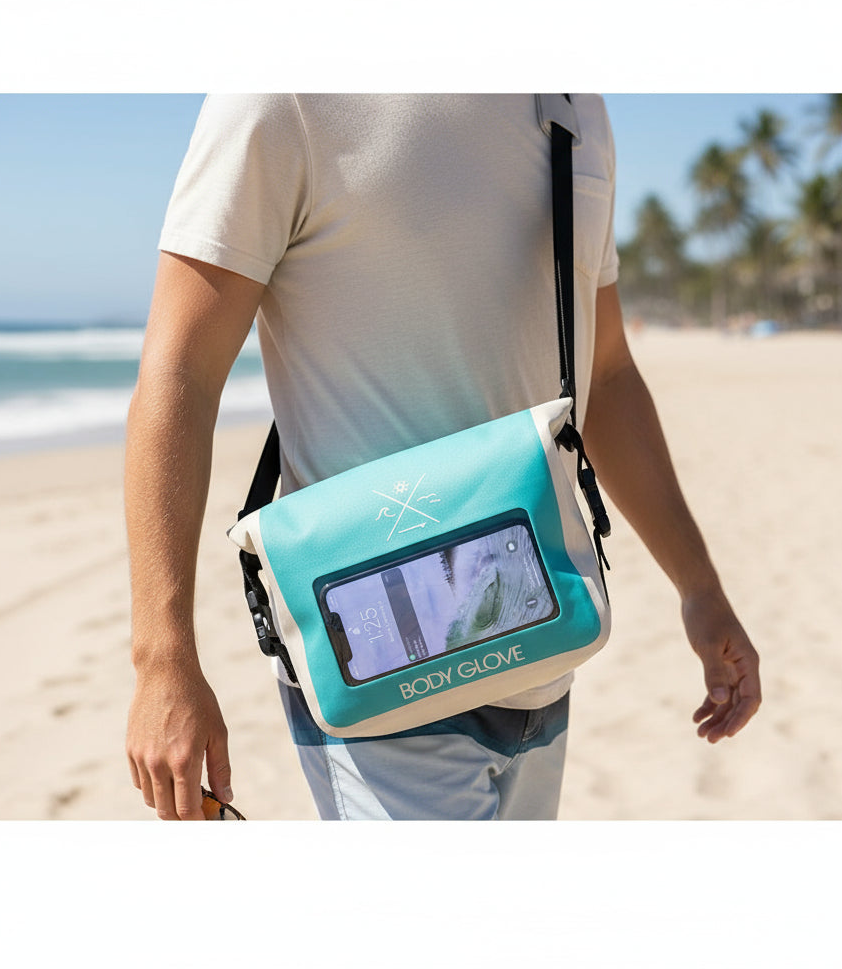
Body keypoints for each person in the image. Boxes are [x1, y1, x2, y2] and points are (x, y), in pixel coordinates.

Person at [125, 94, 761, 821]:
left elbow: (605, 371)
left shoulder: (573, 103)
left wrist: (699, 586)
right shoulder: (287, 95)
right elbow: (179, 370)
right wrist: (162, 659)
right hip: (376, 668)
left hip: (539, 638)